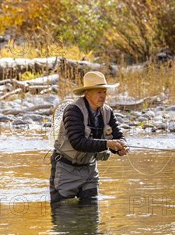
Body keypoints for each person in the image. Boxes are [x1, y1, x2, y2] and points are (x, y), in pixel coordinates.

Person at [50, 71, 128, 204]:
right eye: (99, 92)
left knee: (91, 215)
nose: (103, 96)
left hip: (90, 170)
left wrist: (122, 147)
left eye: (104, 92)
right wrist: (108, 144)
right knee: (64, 215)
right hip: (65, 169)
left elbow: (118, 135)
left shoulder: (108, 112)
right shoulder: (73, 111)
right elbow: (78, 142)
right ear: (87, 93)